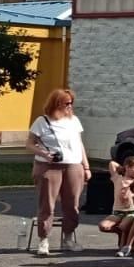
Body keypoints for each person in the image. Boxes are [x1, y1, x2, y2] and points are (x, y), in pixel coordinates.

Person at [28, 88, 90, 257]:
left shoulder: (74, 121)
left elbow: (79, 144)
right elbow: (30, 143)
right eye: (66, 103)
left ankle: (68, 238)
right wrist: (44, 154)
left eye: (71, 103)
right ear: (57, 103)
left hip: (73, 165)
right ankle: (43, 239)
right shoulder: (42, 121)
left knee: (72, 204)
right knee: (47, 204)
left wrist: (86, 166)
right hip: (49, 167)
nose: (70, 106)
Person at [101, 155, 134, 257]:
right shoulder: (117, 178)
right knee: (103, 226)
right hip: (117, 211)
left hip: (131, 211)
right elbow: (112, 164)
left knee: (123, 226)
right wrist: (123, 168)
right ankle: (122, 233)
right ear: (127, 167)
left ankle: (124, 244)